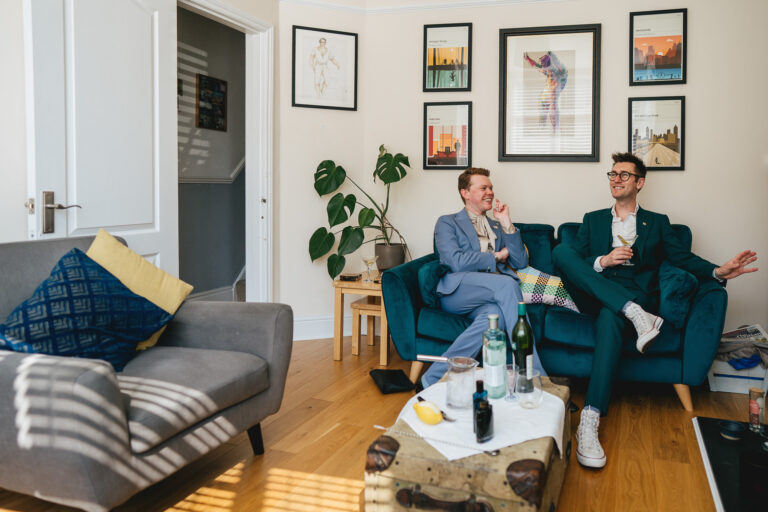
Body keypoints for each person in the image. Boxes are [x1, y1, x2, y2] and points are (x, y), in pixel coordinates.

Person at [552, 152, 758, 469]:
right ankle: (634, 313)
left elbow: (683, 258)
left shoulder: (658, 223)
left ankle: (590, 419)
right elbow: (572, 261)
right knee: (561, 251)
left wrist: (719, 271)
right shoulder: (592, 219)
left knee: (610, 317)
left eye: (624, 174)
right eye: (612, 174)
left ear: (640, 182)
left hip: (635, 291)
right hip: (596, 290)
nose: (616, 179)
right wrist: (604, 261)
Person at [421, 167, 546, 387]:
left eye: (491, 187)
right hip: (458, 292)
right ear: (465, 193)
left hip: (490, 298)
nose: (490, 192)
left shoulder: (497, 225)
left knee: (493, 319)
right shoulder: (447, 222)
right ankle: (536, 377)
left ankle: (432, 377)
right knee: (507, 284)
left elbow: (519, 262)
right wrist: (496, 256)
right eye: (483, 188)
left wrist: (507, 223)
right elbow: (455, 261)